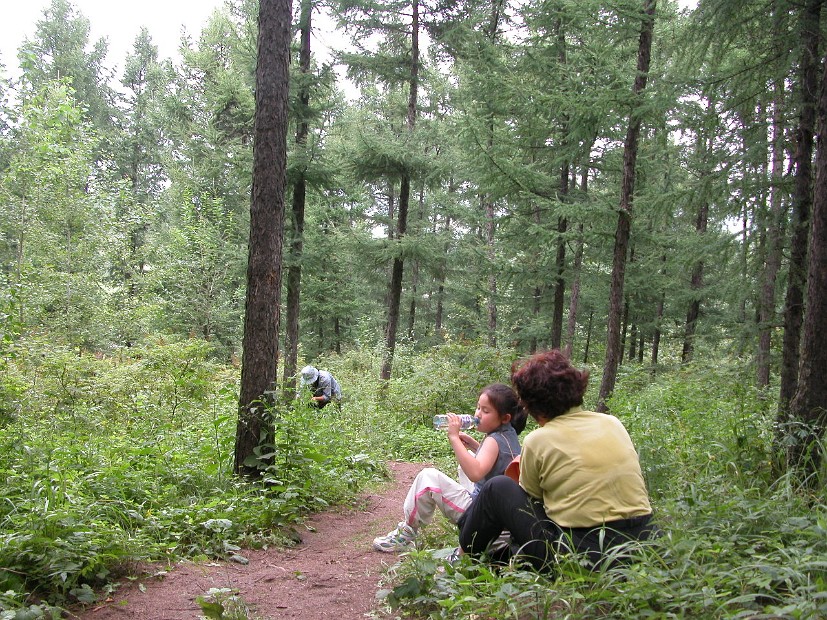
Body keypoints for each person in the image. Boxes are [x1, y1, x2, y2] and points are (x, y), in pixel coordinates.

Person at [458, 350, 656, 573]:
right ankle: (500, 559)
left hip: (582, 557)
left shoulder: (538, 439)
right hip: (643, 545)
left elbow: (531, 505)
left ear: (531, 405)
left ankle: (463, 560)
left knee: (497, 488)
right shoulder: (612, 423)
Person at [373, 383, 527, 553]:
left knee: (428, 478)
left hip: (481, 516)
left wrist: (454, 438)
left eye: (486, 411)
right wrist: (475, 446)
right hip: (501, 520)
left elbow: (475, 473)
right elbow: (500, 462)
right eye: (478, 408)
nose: (478, 414)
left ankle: (406, 533)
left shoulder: (493, 440)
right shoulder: (508, 434)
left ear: (504, 418)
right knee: (468, 462)